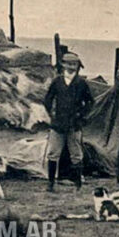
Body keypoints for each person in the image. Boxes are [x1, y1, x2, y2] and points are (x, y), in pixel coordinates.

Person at [42, 52, 94, 192]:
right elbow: (47, 99)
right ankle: (51, 183)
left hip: (74, 125)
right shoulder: (57, 81)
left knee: (76, 154)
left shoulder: (82, 83)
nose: (71, 67)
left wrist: (81, 115)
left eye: (74, 64)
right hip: (58, 125)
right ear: (63, 64)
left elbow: (90, 102)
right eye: (69, 64)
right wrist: (52, 114)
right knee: (53, 153)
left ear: (78, 66)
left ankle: (78, 184)